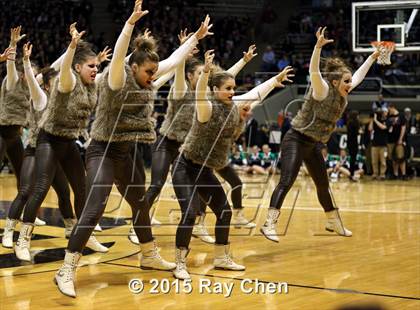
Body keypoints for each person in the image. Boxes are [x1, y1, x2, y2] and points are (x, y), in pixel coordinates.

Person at [55, 1, 213, 298]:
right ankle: (66, 269)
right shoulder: (117, 78)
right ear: (134, 67)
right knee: (95, 206)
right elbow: (118, 55)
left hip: (126, 153)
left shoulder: (148, 76)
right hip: (101, 150)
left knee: (140, 205)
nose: (153, 75)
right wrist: (129, 24)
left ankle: (149, 254)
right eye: (149, 71)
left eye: (155, 70)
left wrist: (197, 37)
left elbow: (174, 60)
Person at [170, 48, 294, 280]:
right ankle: (179, 264)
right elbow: (199, 93)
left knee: (224, 212)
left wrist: (274, 80)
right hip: (185, 168)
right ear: (215, 90)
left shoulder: (233, 108)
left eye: (233, 88)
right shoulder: (205, 108)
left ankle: (221, 257)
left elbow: (256, 94)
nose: (232, 92)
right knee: (189, 214)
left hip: (204, 170)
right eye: (228, 88)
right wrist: (205, 72)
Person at [261, 27, 380, 242]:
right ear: (335, 82)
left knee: (323, 184)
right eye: (346, 81)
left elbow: (359, 76)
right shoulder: (322, 89)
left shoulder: (344, 91)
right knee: (286, 181)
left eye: (349, 81)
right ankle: (269, 223)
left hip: (313, 143)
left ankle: (333, 221)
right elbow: (314, 71)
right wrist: (317, 47)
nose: (350, 83)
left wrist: (372, 57)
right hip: (296, 138)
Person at [15, 23, 107, 262]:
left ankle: (84, 234)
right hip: (49, 139)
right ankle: (23, 239)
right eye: (91, 66)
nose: (96, 69)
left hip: (68, 142)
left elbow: (119, 66)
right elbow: (65, 67)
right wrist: (72, 45)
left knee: (82, 189)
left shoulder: (93, 84)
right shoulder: (69, 81)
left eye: (97, 66)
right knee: (41, 186)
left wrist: (129, 30)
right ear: (78, 67)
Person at [2, 42, 76, 248]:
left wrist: (71, 47)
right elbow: (25, 74)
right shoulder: (34, 92)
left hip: (50, 150)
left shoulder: (53, 95)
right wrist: (21, 56)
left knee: (63, 190)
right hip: (30, 146)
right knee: (26, 190)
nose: (33, 78)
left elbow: (55, 66)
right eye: (30, 75)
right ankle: (9, 232)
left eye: (36, 75)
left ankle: (71, 226)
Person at [386, 104, 407, 180]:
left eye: (389, 109)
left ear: (393, 108)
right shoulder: (388, 116)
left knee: (401, 157)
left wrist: (401, 139)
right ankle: (395, 174)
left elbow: (403, 128)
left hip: (399, 140)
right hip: (390, 140)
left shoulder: (401, 116)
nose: (389, 111)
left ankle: (404, 174)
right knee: (393, 158)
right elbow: (387, 127)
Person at [369, 107, 388, 180]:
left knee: (383, 161)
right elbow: (370, 129)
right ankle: (375, 173)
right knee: (374, 161)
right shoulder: (374, 121)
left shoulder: (386, 120)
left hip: (383, 144)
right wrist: (372, 120)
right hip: (375, 143)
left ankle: (382, 174)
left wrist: (376, 120)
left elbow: (383, 127)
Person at [346, 110, 360, 181]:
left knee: (352, 159)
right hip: (354, 143)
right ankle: (352, 174)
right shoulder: (355, 123)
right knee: (353, 160)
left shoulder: (349, 123)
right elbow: (356, 133)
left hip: (349, 143)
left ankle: (351, 174)